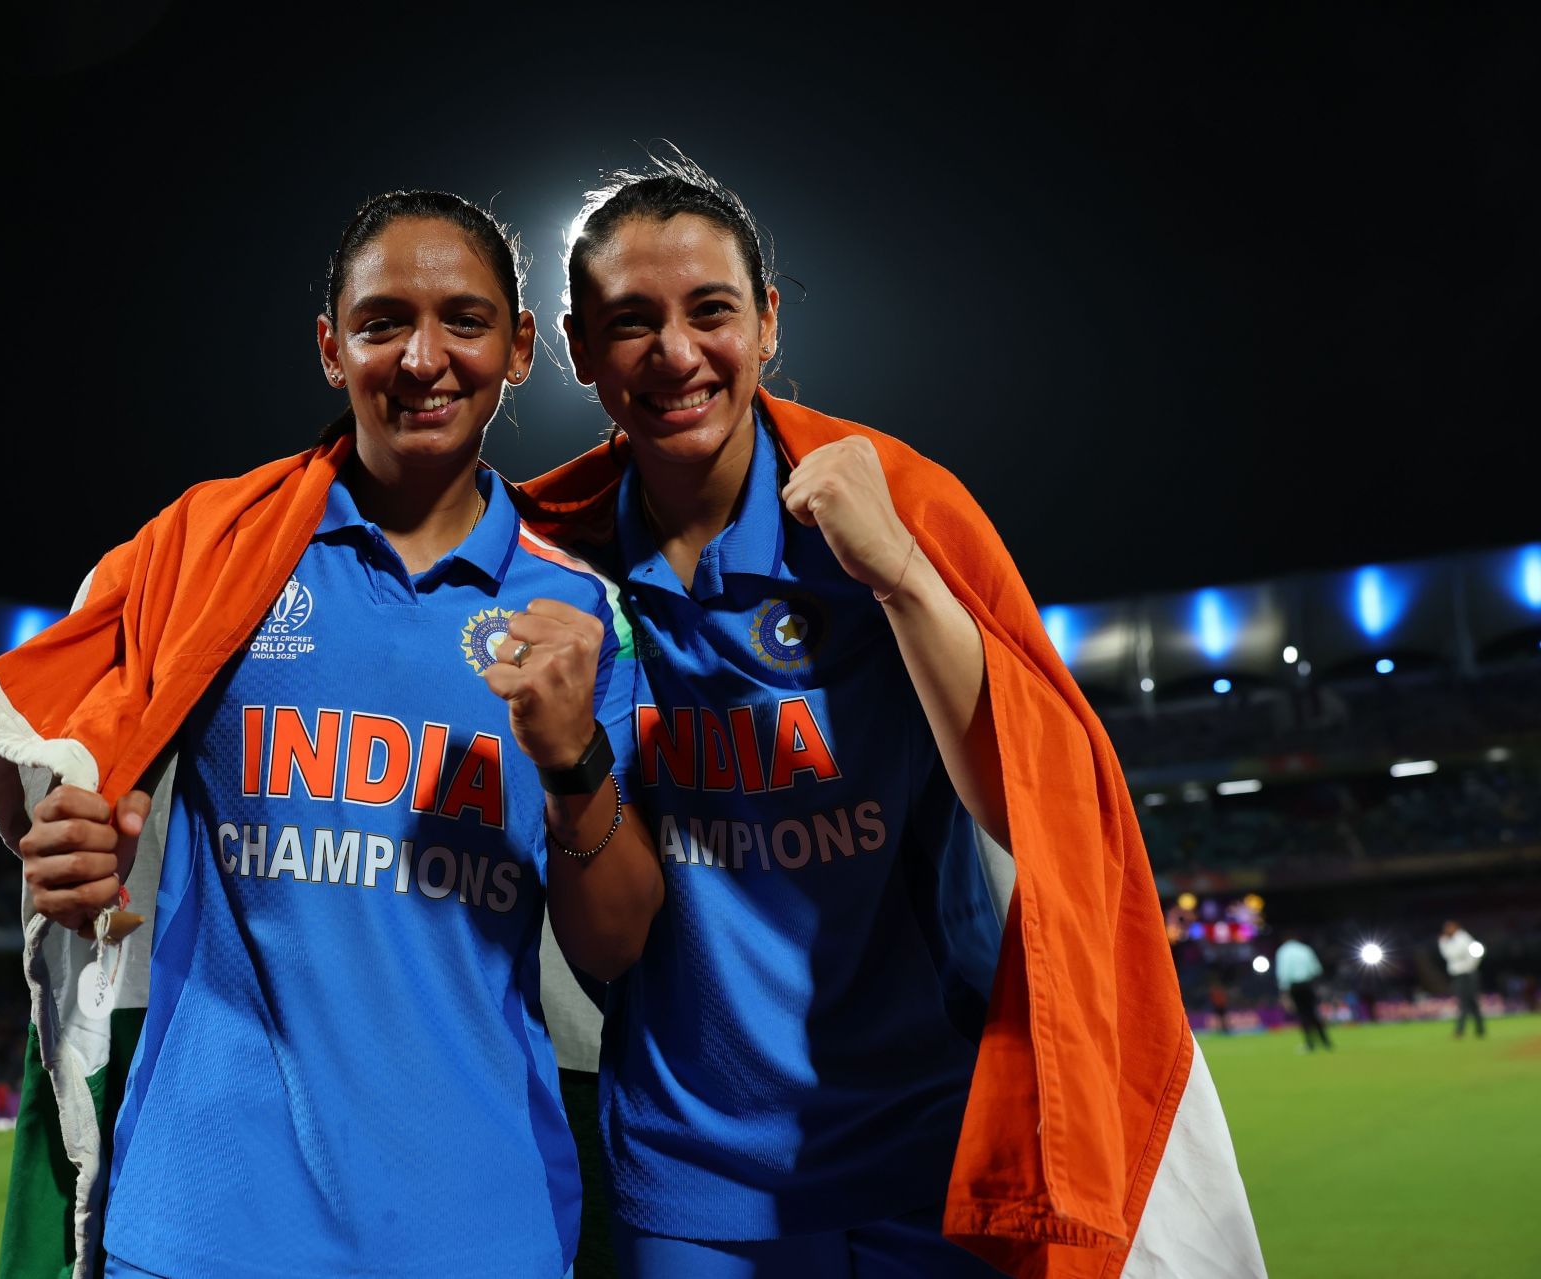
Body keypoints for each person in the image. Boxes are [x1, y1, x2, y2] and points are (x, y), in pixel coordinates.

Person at [512, 151, 1264, 1279]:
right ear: (578, 349)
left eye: (710, 311)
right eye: (631, 321)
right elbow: (604, 938)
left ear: (766, 323)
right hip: (695, 1178)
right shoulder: (556, 571)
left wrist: (903, 578)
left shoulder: (898, 515)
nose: (675, 353)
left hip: (929, 1149)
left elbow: (1032, 804)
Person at [0, 190, 663, 1279]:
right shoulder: (216, 556)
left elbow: (616, 946)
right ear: (333, 349)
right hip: (202, 1223)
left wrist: (573, 761)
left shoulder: (581, 615)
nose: (423, 358)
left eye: (464, 320)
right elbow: (54, 745)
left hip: (478, 1230)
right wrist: (56, 836)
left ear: (520, 348)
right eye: (383, 323)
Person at [1274, 932, 1332, 1052]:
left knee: (1303, 1014)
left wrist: (1284, 991)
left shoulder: (1283, 951)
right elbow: (1316, 969)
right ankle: (1325, 1041)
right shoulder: (1305, 949)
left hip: (1295, 986)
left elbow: (1283, 972)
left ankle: (1310, 1043)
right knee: (1313, 1013)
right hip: (1308, 984)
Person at [1439, 920, 1486, 1038]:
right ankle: (1480, 1029)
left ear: (1455, 927)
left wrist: (1443, 943)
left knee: (1465, 1002)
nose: (1447, 930)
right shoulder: (1454, 939)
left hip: (1466, 974)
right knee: (1470, 1002)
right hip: (1462, 974)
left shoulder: (1462, 938)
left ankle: (1460, 1030)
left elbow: (1454, 954)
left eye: (1449, 927)